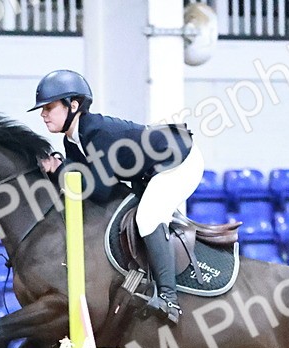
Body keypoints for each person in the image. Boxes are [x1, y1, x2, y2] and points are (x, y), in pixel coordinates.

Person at [29, 69, 204, 324]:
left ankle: (169, 299)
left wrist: (60, 168)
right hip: (151, 170)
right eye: (42, 109)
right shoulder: (72, 141)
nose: (43, 114)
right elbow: (81, 184)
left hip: (180, 161)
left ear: (73, 105)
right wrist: (59, 168)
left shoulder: (99, 133)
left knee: (149, 217)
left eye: (49, 107)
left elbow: (100, 190)